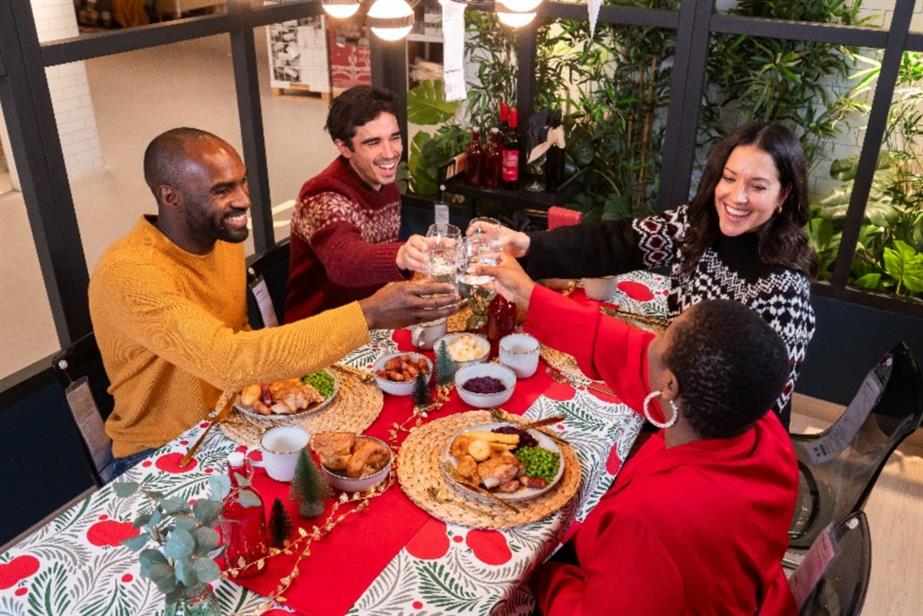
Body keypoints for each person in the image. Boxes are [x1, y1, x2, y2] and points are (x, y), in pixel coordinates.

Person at [89, 127, 459, 473]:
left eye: (242, 181)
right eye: (222, 191)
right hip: (166, 448)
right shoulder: (131, 273)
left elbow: (241, 333)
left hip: (237, 418)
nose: (244, 200)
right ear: (171, 197)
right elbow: (231, 361)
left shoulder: (219, 240)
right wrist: (369, 314)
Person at [480, 256, 798, 614]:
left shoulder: (649, 521)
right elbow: (627, 349)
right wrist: (533, 297)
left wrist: (540, 577)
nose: (651, 339)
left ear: (670, 386)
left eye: (664, 334)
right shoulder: (758, 423)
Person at [492, 121, 817, 425]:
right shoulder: (697, 226)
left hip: (707, 430)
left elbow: (755, 414)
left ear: (784, 195)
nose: (736, 197)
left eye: (757, 186)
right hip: (671, 389)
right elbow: (622, 242)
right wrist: (529, 245)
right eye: (729, 178)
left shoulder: (783, 293)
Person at [284, 85, 427, 322]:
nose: (390, 153)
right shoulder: (322, 195)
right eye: (373, 142)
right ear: (344, 147)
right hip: (325, 327)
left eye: (395, 137)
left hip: (373, 312)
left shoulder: (384, 181)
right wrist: (401, 254)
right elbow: (344, 261)